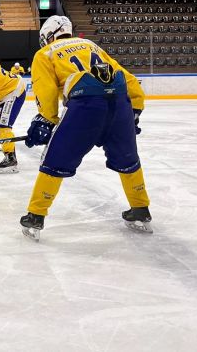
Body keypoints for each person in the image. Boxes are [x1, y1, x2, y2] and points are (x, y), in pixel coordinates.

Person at [20, 15, 152, 240]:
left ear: (49, 35)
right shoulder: (92, 45)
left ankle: (36, 215)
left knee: (55, 159)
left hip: (86, 106)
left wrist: (47, 119)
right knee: (128, 158)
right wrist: (135, 108)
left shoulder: (45, 53)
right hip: (119, 102)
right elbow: (126, 77)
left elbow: (46, 89)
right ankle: (140, 209)